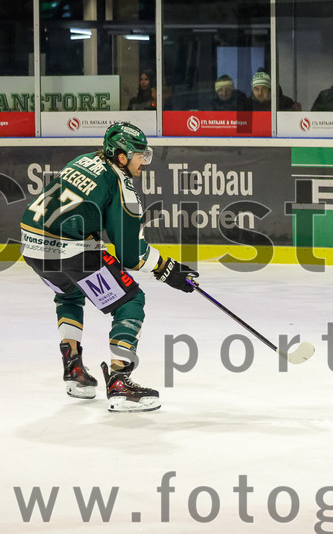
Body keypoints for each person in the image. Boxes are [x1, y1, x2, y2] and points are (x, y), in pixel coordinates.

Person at [19, 122, 199, 413]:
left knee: (69, 295)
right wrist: (167, 268)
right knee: (131, 300)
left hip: (30, 244)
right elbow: (131, 254)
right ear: (121, 156)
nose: (145, 161)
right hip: (72, 250)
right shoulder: (122, 186)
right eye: (140, 155)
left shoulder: (83, 160)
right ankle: (119, 382)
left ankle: (74, 370)